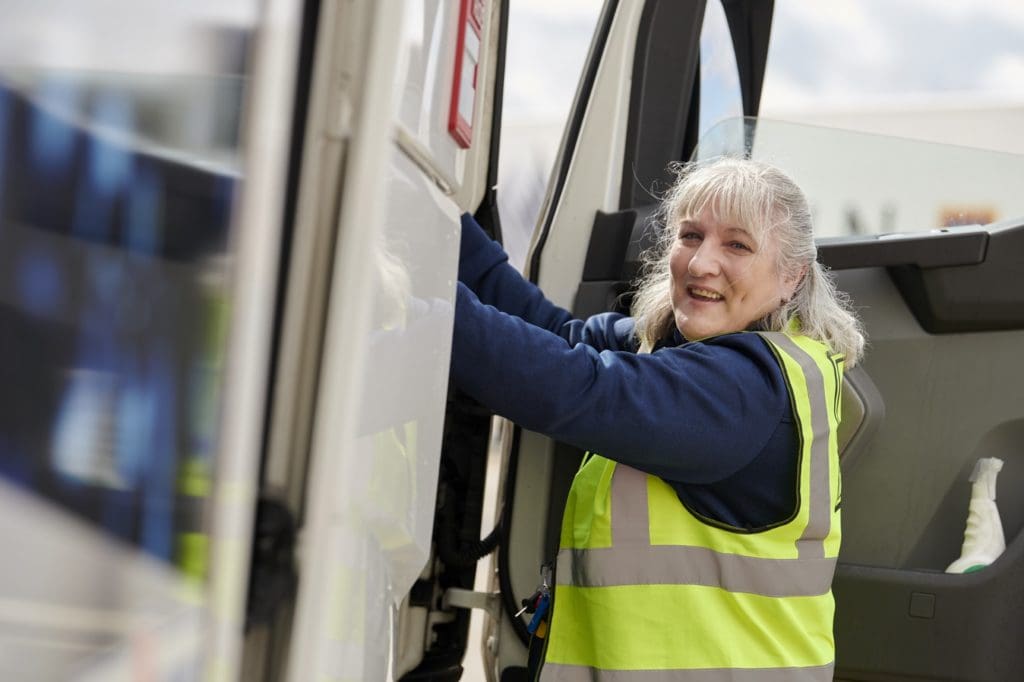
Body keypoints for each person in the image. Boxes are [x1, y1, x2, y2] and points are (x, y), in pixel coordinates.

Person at [450, 157, 865, 681]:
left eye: (737, 245)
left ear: (792, 275)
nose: (701, 263)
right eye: (690, 236)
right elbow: (560, 337)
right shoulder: (709, 350)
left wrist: (415, 301)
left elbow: (574, 387)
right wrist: (443, 223)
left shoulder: (744, 391)